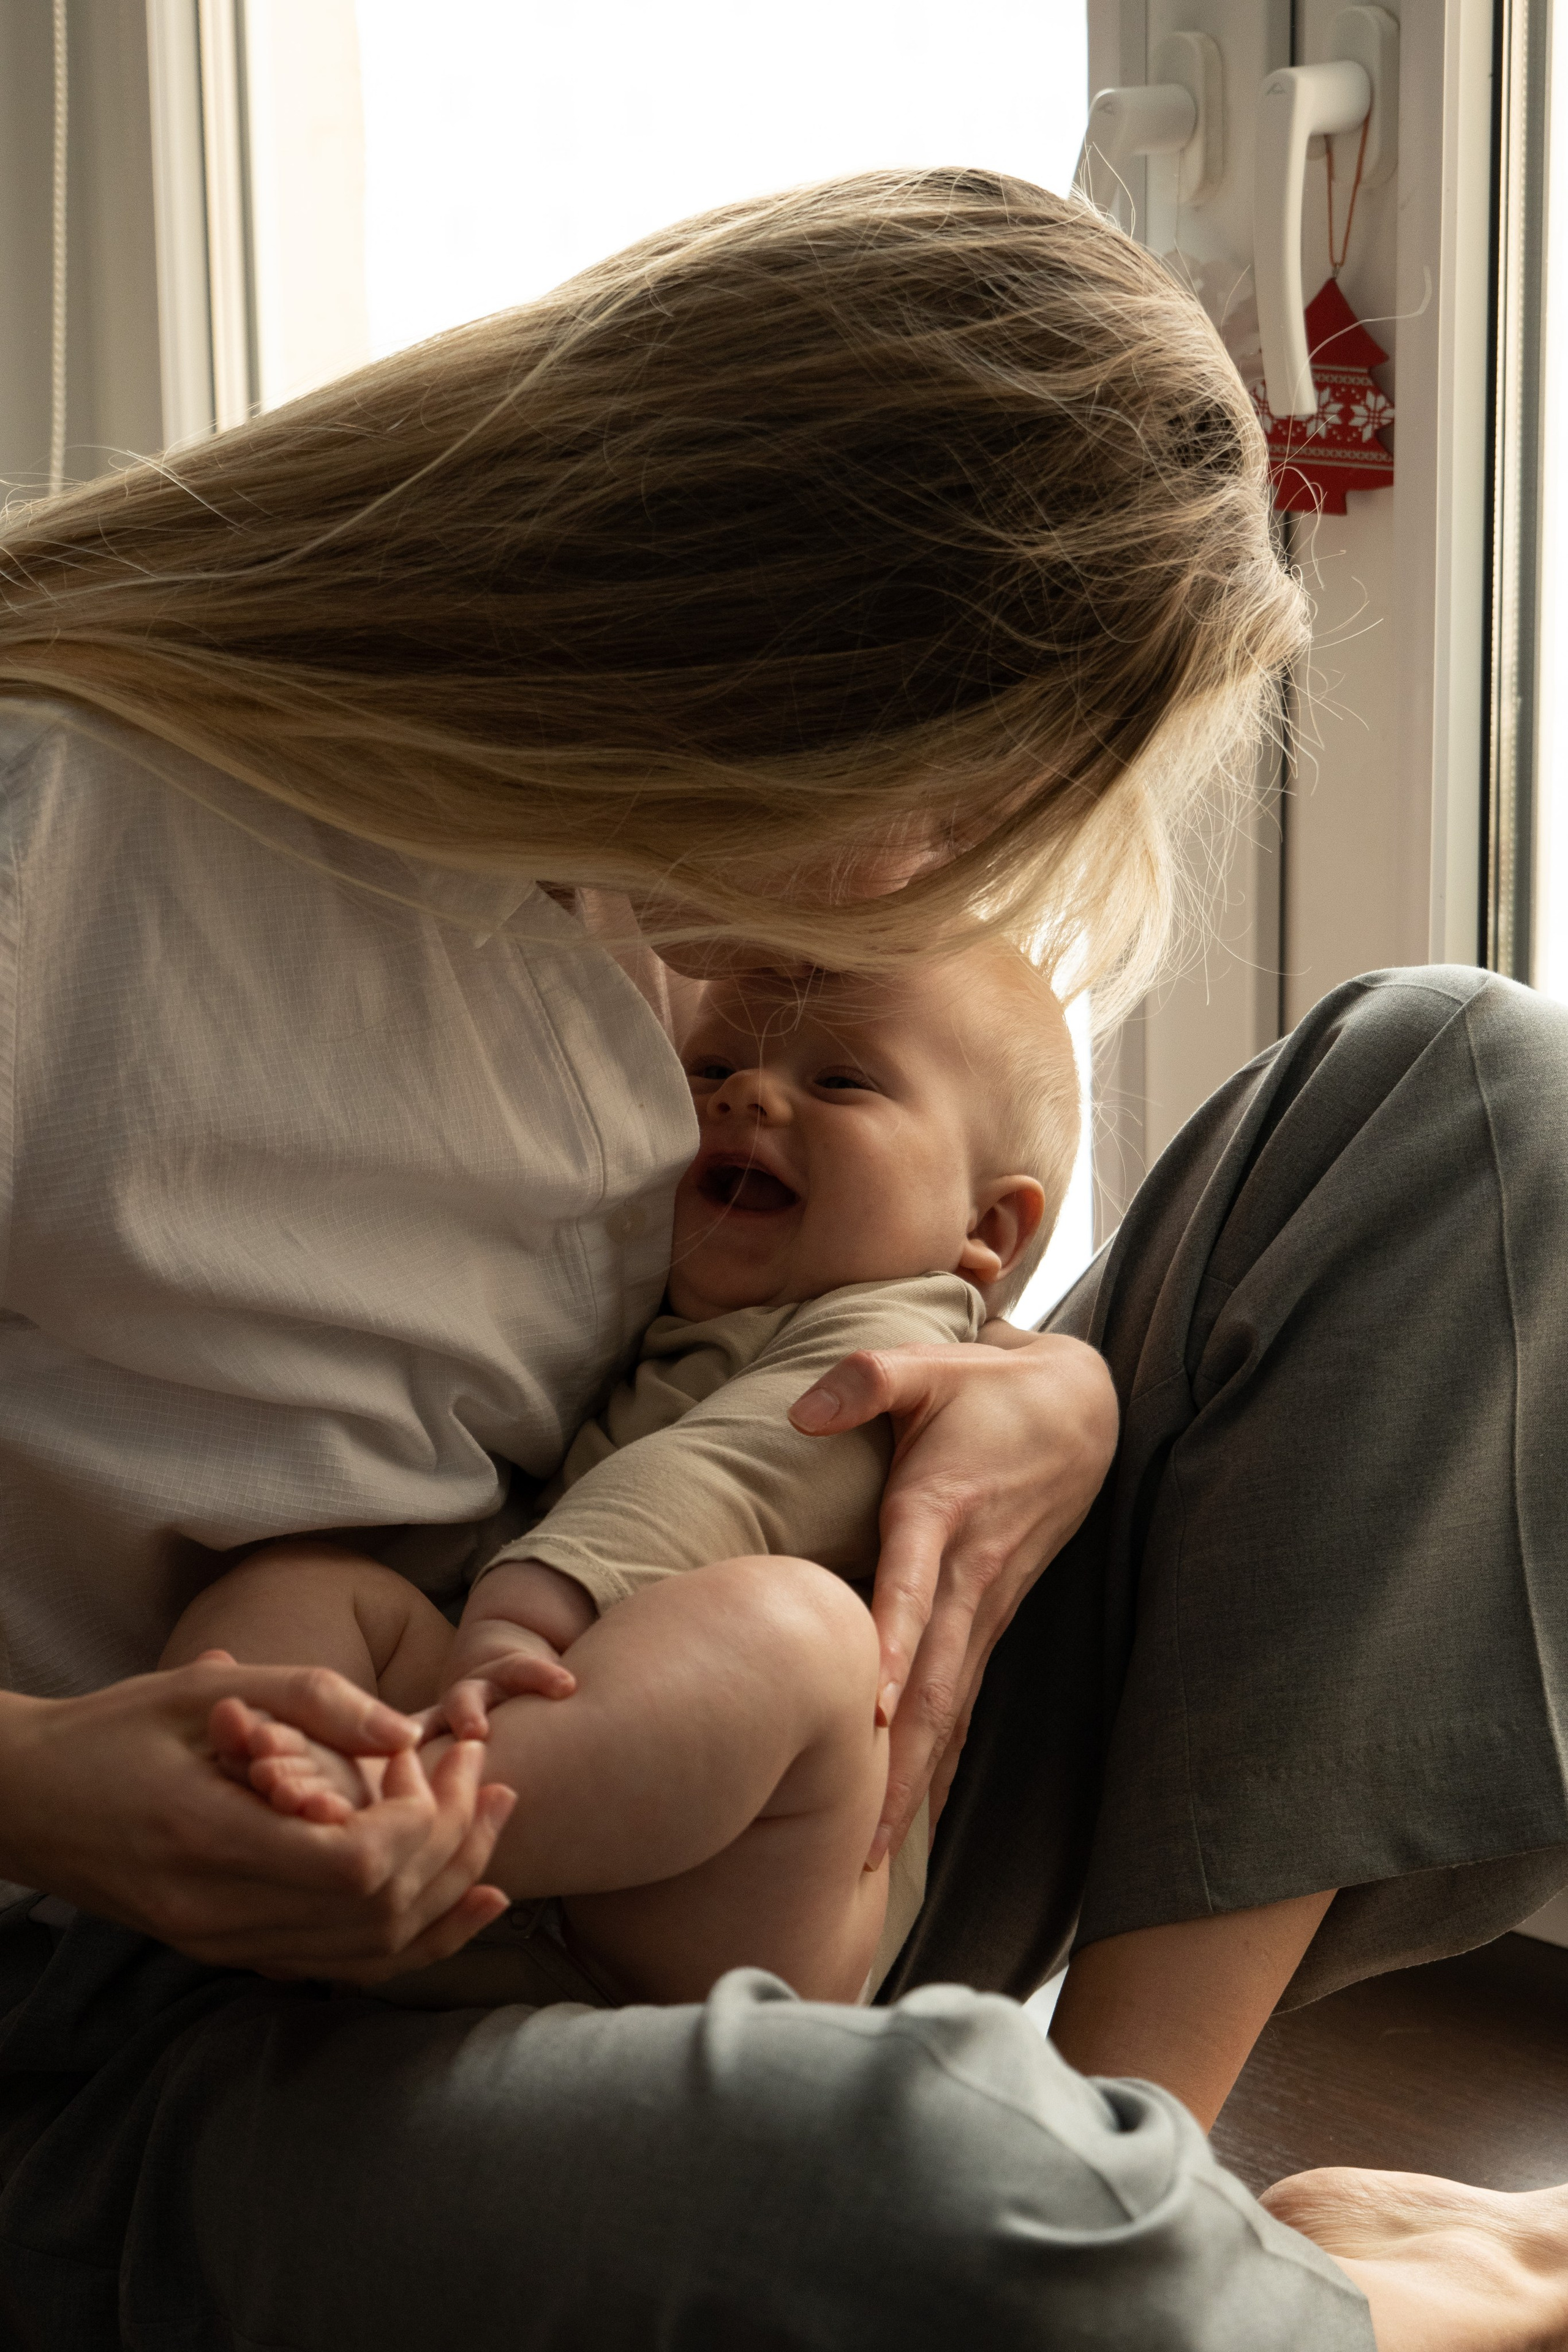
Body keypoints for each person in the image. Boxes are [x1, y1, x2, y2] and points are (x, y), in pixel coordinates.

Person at [0, 167, 1562, 2350]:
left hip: (695, 1803)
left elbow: (731, 1381)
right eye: (952, 794)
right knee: (889, 2197)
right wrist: (48, 1789)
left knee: (1468, 1097)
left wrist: (1046, 1385)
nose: (934, 877)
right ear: (774, 657)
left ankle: (1134, 2158)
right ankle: (1222, 2288)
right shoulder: (62, 826)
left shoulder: (646, 913)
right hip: (193, 2003)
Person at [157, 946, 1080, 2011]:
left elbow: (750, 1472)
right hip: (527, 1754)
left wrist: (529, 1602)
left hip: (729, 1900)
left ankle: (383, 1821)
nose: (747, 1095)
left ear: (987, 1228)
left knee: (794, 1634)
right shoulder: (661, 1307)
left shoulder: (910, 1339)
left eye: (841, 1082)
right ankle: (254, 1798)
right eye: (711, 1069)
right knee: (305, 1588)